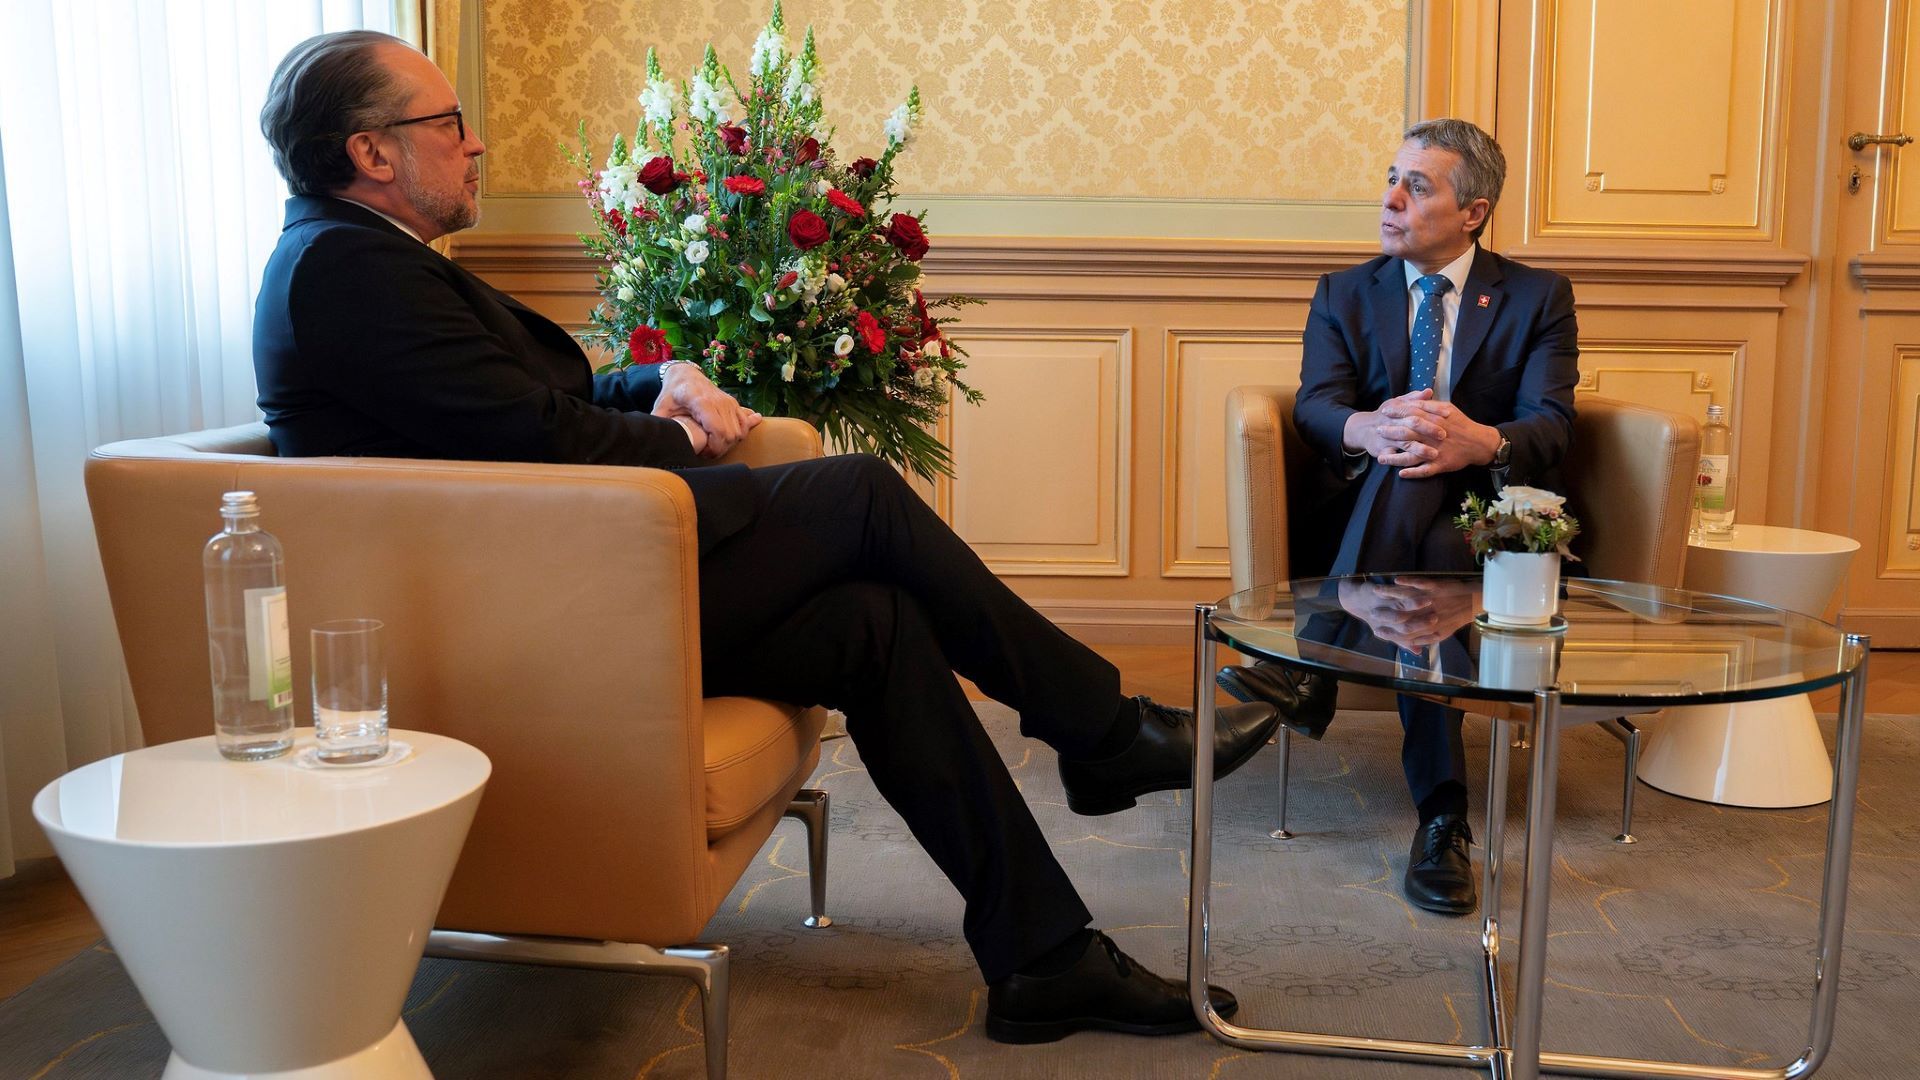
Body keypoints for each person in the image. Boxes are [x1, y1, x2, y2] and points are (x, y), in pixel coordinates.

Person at [251, 31, 1282, 1044]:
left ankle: (1044, 958)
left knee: (872, 624)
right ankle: (1103, 733)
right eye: (450, 123)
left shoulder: (361, 260)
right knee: (863, 496)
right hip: (530, 615)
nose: (474, 145)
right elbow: (531, 436)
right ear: (371, 153)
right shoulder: (343, 270)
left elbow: (522, 400)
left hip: (562, 574)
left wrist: (661, 380)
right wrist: (661, 428)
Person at [1217, 119, 1578, 916]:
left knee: (1430, 475)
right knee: (1408, 459)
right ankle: (1443, 820)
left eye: (1416, 186)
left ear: (1473, 212)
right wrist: (1374, 428)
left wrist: (1473, 440)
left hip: (1483, 515)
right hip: (1368, 506)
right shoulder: (1346, 290)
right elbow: (1316, 407)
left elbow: (1551, 424)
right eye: (1391, 177)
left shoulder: (1535, 294)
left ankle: (1306, 668)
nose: (1390, 199)